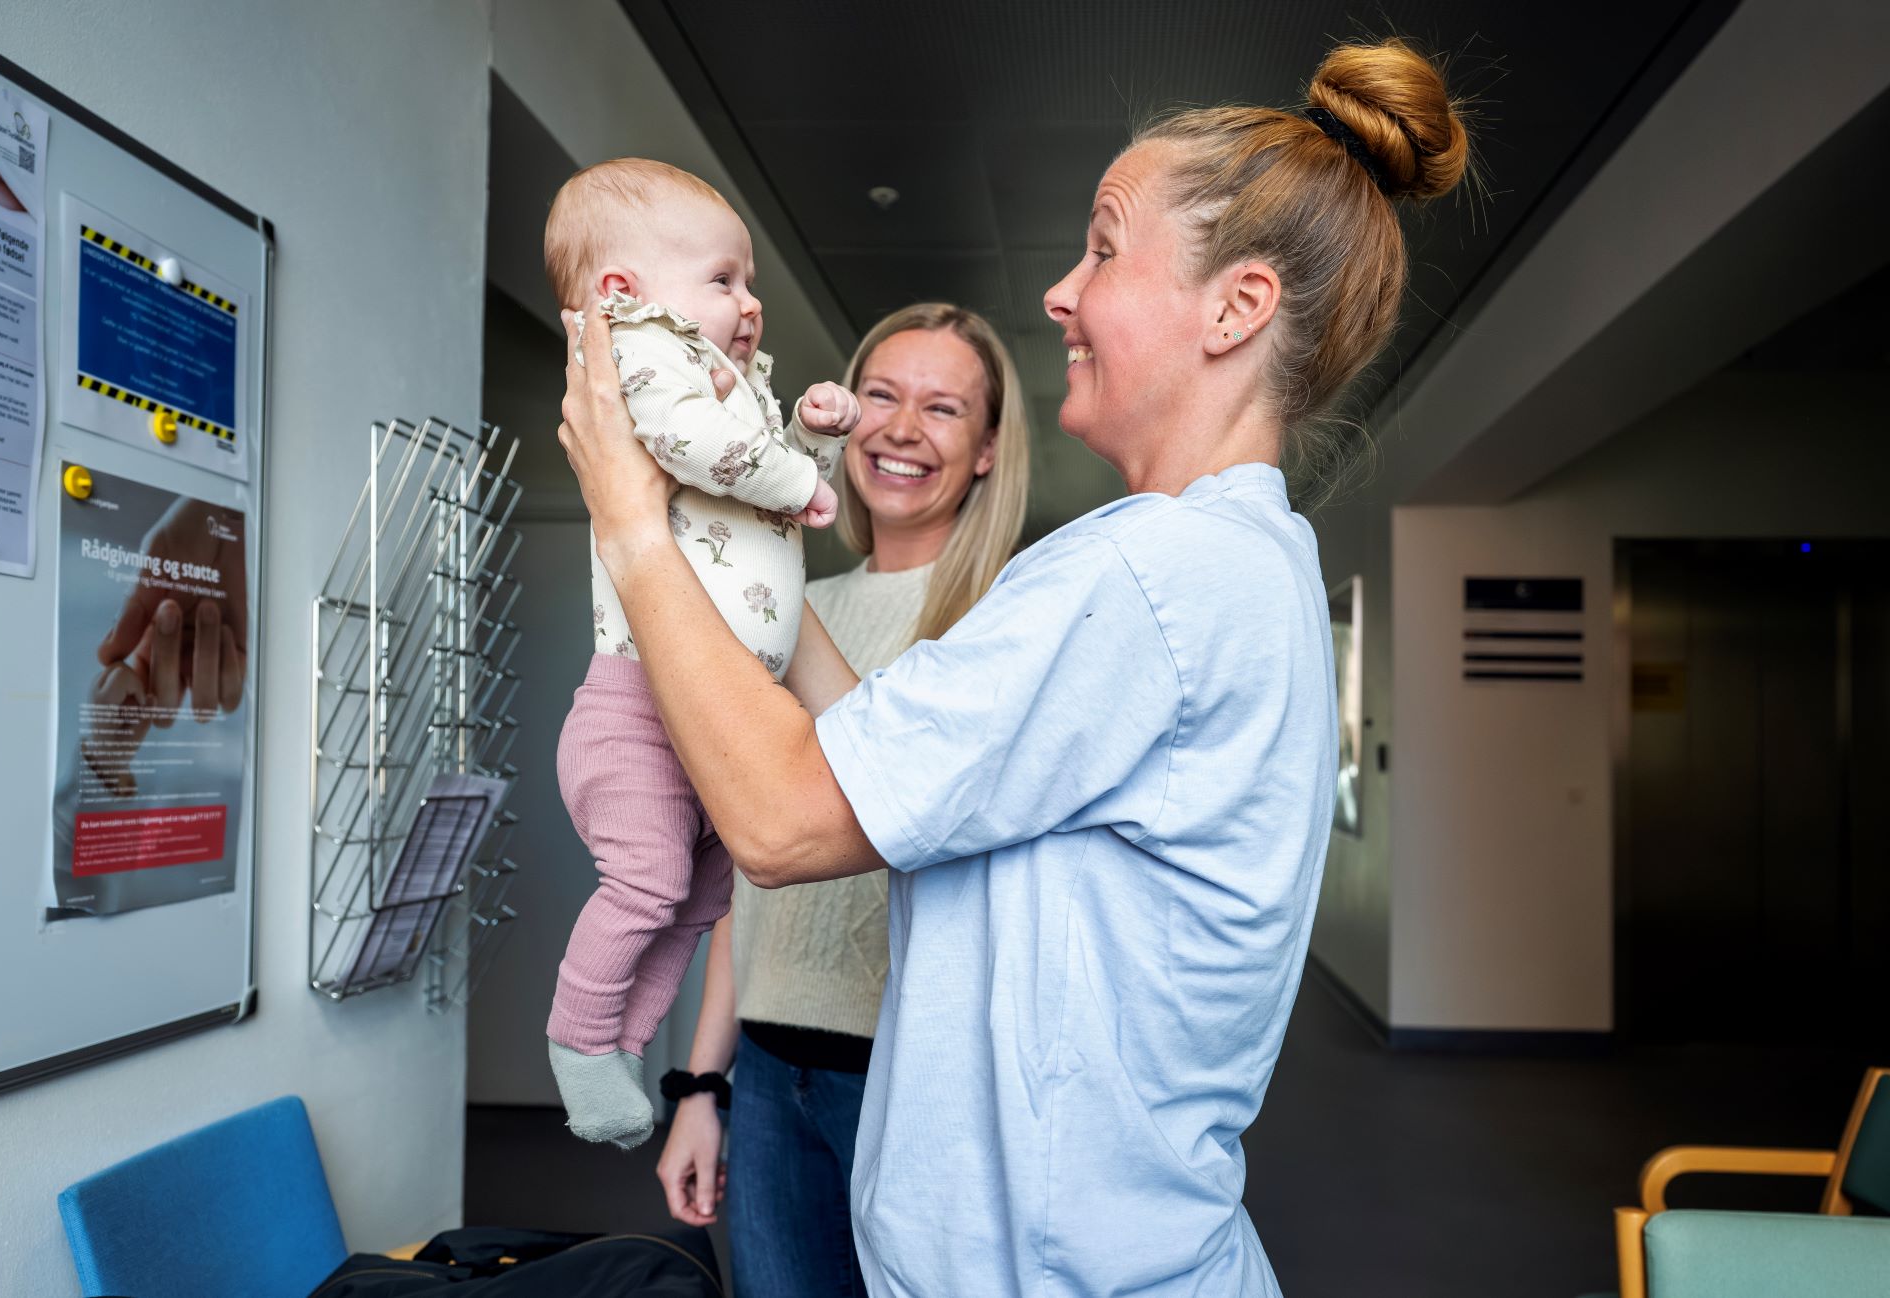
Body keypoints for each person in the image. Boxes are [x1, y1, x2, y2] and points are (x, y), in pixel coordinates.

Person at [559, 36, 1470, 1297]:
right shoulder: (1214, 565)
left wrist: (630, 525)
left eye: (1102, 248)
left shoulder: (1150, 578)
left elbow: (776, 820)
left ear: (1237, 307)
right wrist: (744, 549)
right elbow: (886, 744)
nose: (1060, 291)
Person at [654, 304, 1031, 1297]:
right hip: (773, 1077)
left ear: (989, 449)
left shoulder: (1008, 616)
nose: (902, 428)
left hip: (921, 1083)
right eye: (881, 395)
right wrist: (704, 1082)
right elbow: (751, 868)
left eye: (944, 408)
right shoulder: (802, 607)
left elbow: (919, 818)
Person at [539, 158, 863, 1147]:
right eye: (724, 279)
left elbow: (757, 489)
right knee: (645, 882)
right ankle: (578, 1035)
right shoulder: (632, 351)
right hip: (639, 712)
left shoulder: (720, 379)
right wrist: (790, 477)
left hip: (714, 710)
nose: (750, 300)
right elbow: (689, 444)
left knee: (702, 894)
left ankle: (628, 1042)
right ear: (624, 290)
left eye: (749, 280)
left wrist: (808, 443)